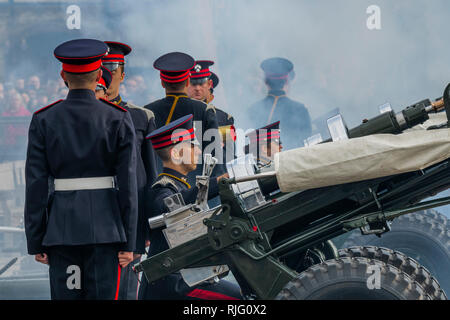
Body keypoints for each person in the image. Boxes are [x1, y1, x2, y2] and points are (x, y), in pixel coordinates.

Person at [24, 39, 138, 300]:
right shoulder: (118, 117)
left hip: (61, 230)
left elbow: (36, 185)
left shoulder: (44, 119)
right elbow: (128, 185)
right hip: (107, 230)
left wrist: (36, 239)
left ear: (63, 75)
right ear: (100, 75)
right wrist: (129, 241)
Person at [138, 114, 242, 300]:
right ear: (176, 154)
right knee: (239, 299)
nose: (199, 151)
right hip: (172, 283)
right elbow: (170, 206)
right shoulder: (162, 190)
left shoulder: (177, 186)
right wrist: (219, 182)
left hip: (185, 278)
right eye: (192, 146)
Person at [102, 41, 158, 300]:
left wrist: (144, 231)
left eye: (113, 68)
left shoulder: (141, 117)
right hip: (92, 217)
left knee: (125, 292)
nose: (107, 74)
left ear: (123, 74)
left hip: (129, 221)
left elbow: (148, 178)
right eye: (102, 67)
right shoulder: (81, 116)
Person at [144, 52, 225, 187]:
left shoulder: (147, 112)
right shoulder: (204, 110)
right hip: (196, 191)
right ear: (188, 81)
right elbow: (215, 158)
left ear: (162, 82)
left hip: (157, 188)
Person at [247, 57, 312, 150]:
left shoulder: (252, 110)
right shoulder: (300, 109)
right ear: (287, 81)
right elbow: (308, 144)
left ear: (265, 82)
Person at [187, 61, 236, 164]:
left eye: (201, 83)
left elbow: (230, 156)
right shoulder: (179, 115)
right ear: (186, 85)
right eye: (193, 83)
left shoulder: (224, 119)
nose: (197, 88)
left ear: (209, 84)